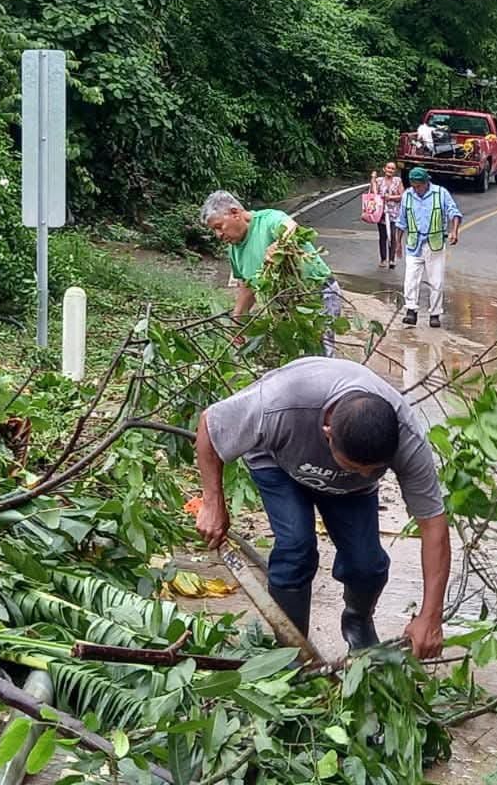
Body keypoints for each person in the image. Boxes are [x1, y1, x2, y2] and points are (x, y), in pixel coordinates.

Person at [193, 357, 449, 658]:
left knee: (367, 564)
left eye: (375, 469)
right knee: (295, 549)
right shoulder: (280, 401)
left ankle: (358, 624)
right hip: (278, 463)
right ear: (328, 433)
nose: (368, 474)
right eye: (357, 466)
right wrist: (213, 503)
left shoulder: (407, 438)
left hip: (349, 491)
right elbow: (211, 424)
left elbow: (433, 526)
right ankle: (292, 650)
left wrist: (431, 615)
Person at [201, 191, 342, 354]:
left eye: (219, 227)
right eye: (214, 231)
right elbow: (248, 286)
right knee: (290, 355)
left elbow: (290, 227)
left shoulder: (268, 219)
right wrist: (238, 318)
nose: (218, 235)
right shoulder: (234, 250)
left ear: (235, 213)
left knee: (318, 354)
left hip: (317, 295)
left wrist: (279, 245)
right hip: (285, 308)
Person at [395, 167, 461, 328]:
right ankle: (411, 310)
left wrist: (454, 231)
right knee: (410, 279)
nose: (416, 189)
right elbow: (401, 221)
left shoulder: (441, 193)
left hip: (435, 244)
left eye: (418, 186)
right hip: (413, 244)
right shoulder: (407, 196)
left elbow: (454, 212)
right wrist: (397, 244)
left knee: (436, 281)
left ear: (426, 183)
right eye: (413, 186)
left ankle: (435, 314)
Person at [370, 161, 405, 269]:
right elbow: (374, 193)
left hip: (394, 213)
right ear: (384, 169)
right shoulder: (379, 180)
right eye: (388, 168)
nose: (390, 170)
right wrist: (372, 179)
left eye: (392, 168)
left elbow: (402, 195)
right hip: (381, 213)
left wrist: (391, 197)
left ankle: (392, 259)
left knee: (393, 236)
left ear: (395, 171)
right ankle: (383, 259)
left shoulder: (397, 181)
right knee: (383, 236)